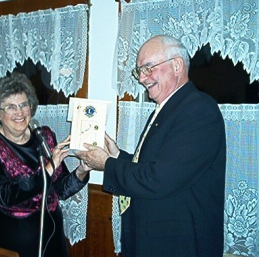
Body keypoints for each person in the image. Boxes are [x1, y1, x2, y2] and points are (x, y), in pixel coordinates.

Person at [75, 35, 226, 256]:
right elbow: (154, 166)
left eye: (148, 68)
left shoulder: (199, 110)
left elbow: (158, 179)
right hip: (156, 239)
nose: (142, 78)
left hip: (179, 244)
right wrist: (117, 155)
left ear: (176, 65)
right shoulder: (171, 107)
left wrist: (107, 164)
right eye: (139, 71)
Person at [0, 72, 90, 257]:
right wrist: (51, 166)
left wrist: (82, 170)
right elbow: (5, 196)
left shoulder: (45, 136)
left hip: (52, 237)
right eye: (10, 107)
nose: (19, 112)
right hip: (10, 238)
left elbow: (60, 190)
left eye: (24, 105)